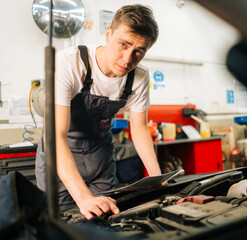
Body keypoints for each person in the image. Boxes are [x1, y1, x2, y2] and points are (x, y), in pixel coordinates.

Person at [35, 4, 162, 220]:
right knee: (63, 223)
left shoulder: (139, 77)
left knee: (106, 221)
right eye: (124, 44)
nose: (127, 59)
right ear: (109, 33)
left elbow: (139, 129)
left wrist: (158, 179)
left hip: (101, 157)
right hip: (62, 159)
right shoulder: (70, 63)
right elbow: (55, 137)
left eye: (139, 51)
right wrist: (84, 198)